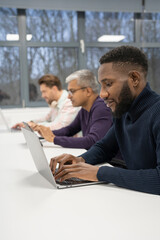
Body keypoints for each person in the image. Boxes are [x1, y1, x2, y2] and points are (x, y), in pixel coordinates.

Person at [49, 46, 160, 195]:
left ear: (134, 78)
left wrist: (99, 173)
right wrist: (80, 161)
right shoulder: (123, 111)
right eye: (101, 85)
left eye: (108, 84)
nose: (102, 94)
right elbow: (104, 148)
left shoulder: (156, 112)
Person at [33, 69, 112, 150]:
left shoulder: (101, 108)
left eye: (72, 91)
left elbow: (92, 140)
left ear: (88, 91)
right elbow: (69, 130)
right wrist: (48, 133)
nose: (68, 96)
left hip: (111, 162)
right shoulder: (84, 109)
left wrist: (54, 139)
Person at [12, 74, 79, 130]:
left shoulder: (69, 102)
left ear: (54, 89)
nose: (42, 96)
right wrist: (28, 123)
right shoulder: (56, 103)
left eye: (44, 91)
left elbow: (60, 126)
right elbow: (46, 119)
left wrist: (34, 126)